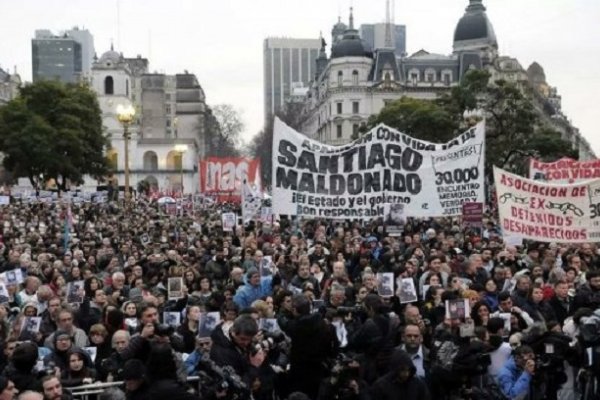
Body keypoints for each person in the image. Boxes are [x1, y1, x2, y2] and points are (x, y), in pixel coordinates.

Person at [279, 294, 338, 398]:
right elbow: (333, 347)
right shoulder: (324, 324)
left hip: (299, 371)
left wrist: (282, 313)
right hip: (318, 369)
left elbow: (284, 323)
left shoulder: (297, 326)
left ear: (294, 310)